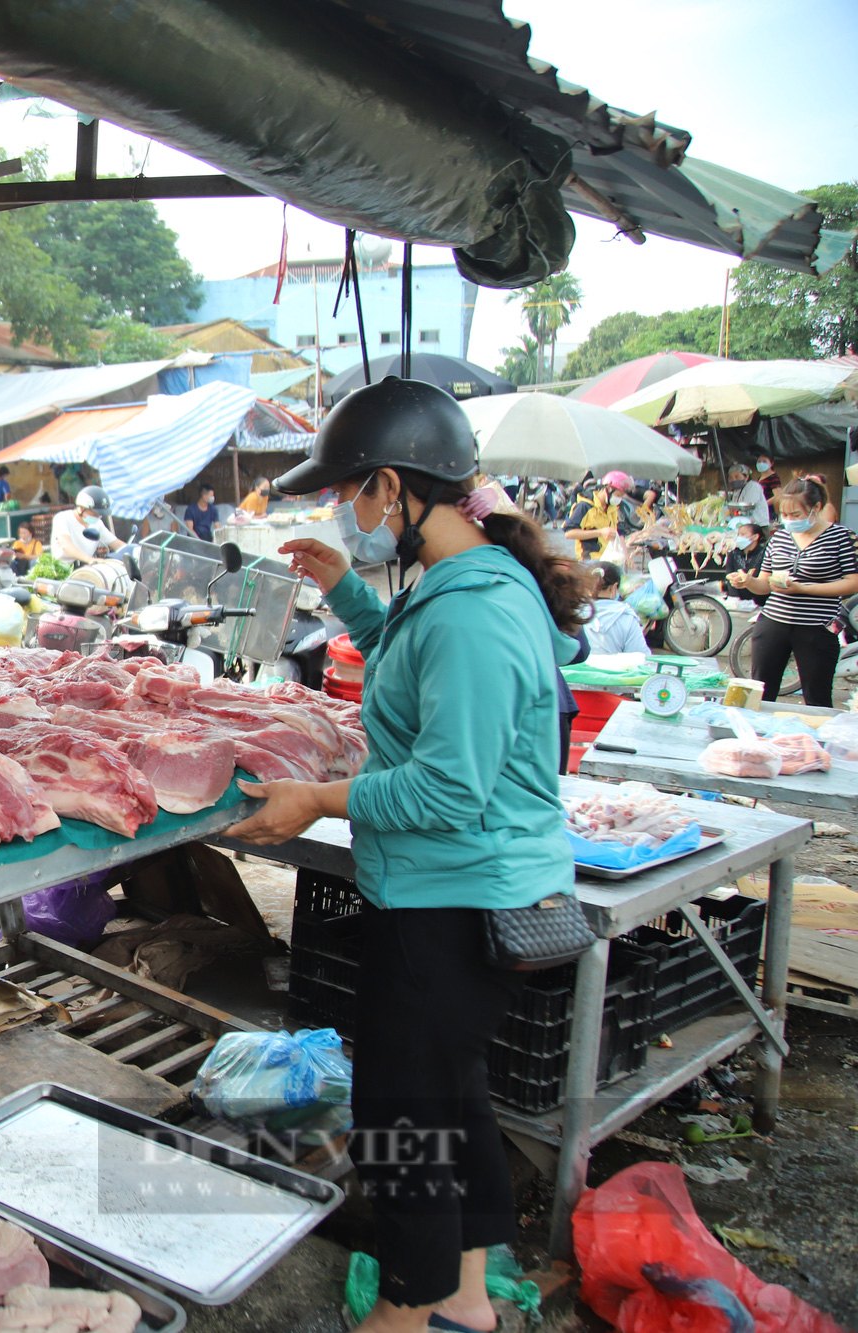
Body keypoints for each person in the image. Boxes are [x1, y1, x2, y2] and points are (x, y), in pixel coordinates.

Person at [225, 377, 590, 1333]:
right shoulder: (466, 580)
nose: (351, 510)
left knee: (402, 1117)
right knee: (451, 1098)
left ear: (394, 487)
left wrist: (314, 798)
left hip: (451, 903)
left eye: (353, 492)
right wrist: (343, 587)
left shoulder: (472, 607)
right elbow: (406, 655)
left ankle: (406, 1304)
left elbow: (445, 789)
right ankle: (467, 1299)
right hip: (464, 895)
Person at [729, 475, 858, 707]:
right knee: (759, 694)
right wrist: (747, 582)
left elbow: (853, 582)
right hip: (773, 621)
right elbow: (765, 582)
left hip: (817, 627)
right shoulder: (780, 537)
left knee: (816, 698)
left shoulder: (841, 537)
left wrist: (803, 588)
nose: (788, 520)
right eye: (784, 515)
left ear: (816, 508)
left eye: (795, 515)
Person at [562, 469, 638, 559]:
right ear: (609, 488)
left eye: (622, 496)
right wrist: (600, 532)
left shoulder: (612, 508)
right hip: (590, 558)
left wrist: (626, 557)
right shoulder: (585, 506)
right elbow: (569, 533)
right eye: (618, 494)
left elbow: (619, 533)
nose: (619, 498)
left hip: (608, 557)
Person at [580, 560, 648, 656]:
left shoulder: (575, 614)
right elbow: (640, 656)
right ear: (615, 587)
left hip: (578, 671)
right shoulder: (626, 617)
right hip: (617, 670)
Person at [50, 486, 126, 563]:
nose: (98, 517)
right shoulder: (62, 518)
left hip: (85, 568)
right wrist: (89, 559)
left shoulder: (98, 524)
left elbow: (117, 544)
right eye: (95, 514)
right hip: (62, 569)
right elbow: (65, 544)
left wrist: (133, 551)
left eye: (100, 515)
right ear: (82, 508)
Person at [727, 521, 771, 605]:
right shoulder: (733, 553)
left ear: (755, 537)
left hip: (760, 601)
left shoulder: (764, 553)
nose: (739, 537)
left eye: (743, 534)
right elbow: (729, 574)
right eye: (739, 535)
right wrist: (734, 597)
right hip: (738, 601)